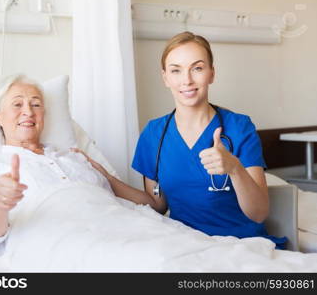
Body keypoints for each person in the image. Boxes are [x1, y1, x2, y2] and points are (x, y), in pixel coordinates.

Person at [86, 31, 287, 249]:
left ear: (211, 73)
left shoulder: (239, 127)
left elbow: (258, 213)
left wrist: (234, 168)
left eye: (197, 68)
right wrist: (106, 178)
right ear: (166, 78)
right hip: (187, 247)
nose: (187, 80)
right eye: (176, 70)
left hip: (243, 245)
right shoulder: (154, 134)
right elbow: (157, 204)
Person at [0, 74, 112, 251]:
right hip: (64, 245)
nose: (29, 112)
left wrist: (106, 175)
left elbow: (144, 203)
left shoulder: (74, 157)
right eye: (18, 104)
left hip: (119, 227)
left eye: (36, 104)